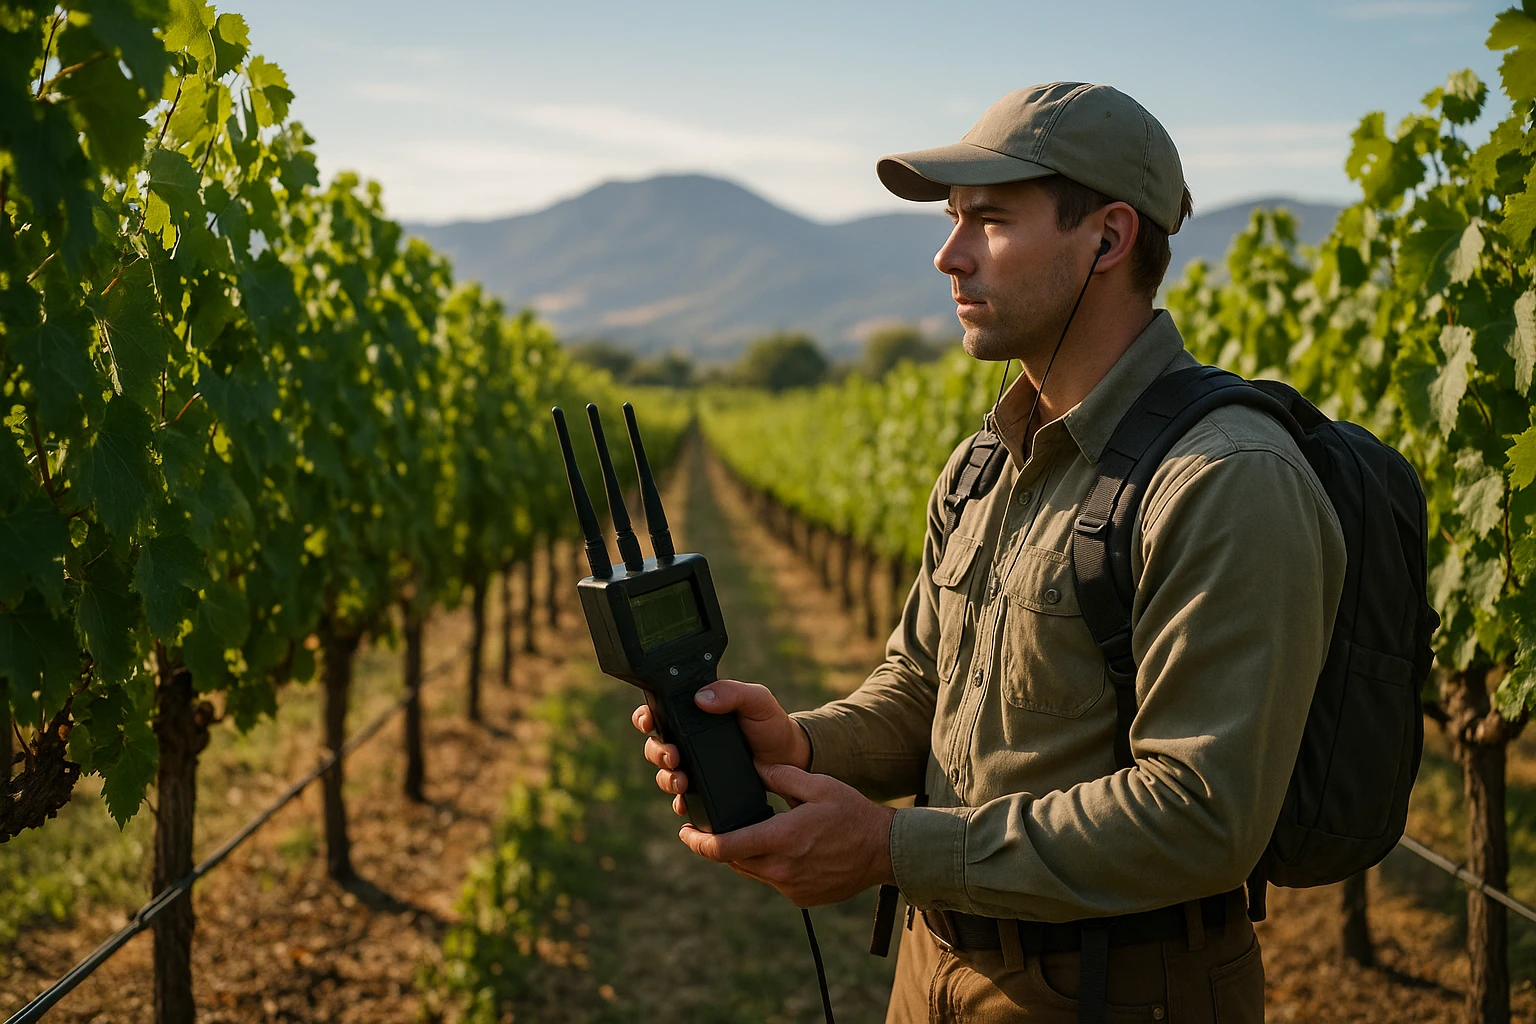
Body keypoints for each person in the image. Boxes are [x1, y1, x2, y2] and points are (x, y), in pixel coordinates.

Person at [631, 82, 1345, 1023]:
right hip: (932, 970)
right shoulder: (986, 462)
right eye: (952, 219)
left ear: (1109, 238)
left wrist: (892, 849)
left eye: (991, 221)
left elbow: (1201, 815)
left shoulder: (1224, 480)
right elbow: (923, 683)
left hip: (1118, 990)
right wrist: (804, 743)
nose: (947, 254)